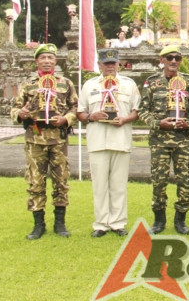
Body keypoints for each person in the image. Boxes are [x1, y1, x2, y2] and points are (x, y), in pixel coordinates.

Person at [10, 43, 78, 240]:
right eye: (43, 58)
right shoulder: (28, 84)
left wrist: (66, 119)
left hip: (58, 140)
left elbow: (75, 107)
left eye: (50, 58)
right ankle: (38, 224)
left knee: (61, 181)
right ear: (37, 61)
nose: (47, 61)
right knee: (35, 182)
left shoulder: (65, 83)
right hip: (35, 140)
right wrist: (20, 113)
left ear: (55, 61)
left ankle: (60, 223)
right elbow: (14, 109)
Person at [77, 48, 140, 237]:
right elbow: (80, 112)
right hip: (97, 140)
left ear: (118, 64)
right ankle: (101, 224)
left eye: (113, 63)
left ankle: (118, 223)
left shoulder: (128, 85)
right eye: (106, 63)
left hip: (120, 139)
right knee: (99, 185)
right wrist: (91, 116)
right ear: (99, 65)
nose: (110, 67)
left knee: (119, 184)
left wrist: (125, 119)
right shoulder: (90, 85)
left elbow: (137, 111)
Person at [138, 45, 189, 235]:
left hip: (183, 141)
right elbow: (142, 110)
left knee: (185, 180)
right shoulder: (152, 82)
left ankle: (181, 220)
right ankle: (159, 219)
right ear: (161, 59)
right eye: (169, 57)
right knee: (159, 181)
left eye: (177, 58)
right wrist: (157, 123)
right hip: (160, 140)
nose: (173, 61)